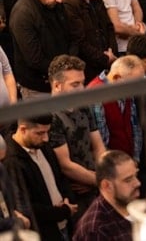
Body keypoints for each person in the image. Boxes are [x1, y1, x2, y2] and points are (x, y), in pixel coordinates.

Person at [48, 55, 107, 214]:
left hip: (95, 183)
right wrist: (99, 180)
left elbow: (98, 146)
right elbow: (65, 165)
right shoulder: (51, 116)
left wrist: (100, 176)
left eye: (82, 83)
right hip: (72, 192)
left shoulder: (83, 106)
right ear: (57, 85)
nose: (81, 89)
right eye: (75, 84)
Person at [4, 114, 78, 240]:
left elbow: (60, 178)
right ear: (23, 129)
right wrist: (63, 212)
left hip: (64, 224)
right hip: (44, 233)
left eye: (47, 132)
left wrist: (68, 199)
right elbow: (26, 205)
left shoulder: (42, 146)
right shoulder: (11, 161)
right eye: (40, 133)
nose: (46, 138)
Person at [9, 0, 76, 97]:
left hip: (62, 77)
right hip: (38, 86)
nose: (60, 0)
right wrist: (65, 70)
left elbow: (70, 35)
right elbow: (34, 59)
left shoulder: (55, 3)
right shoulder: (23, 14)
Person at [87, 56, 145, 162]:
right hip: (111, 163)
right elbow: (101, 141)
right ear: (117, 78)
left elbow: (135, 125)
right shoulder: (96, 95)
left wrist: (135, 158)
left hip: (128, 159)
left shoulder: (126, 88)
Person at [73, 150, 141, 240]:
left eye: (136, 175)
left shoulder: (133, 206)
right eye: (128, 180)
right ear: (106, 186)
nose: (137, 183)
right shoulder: (96, 231)